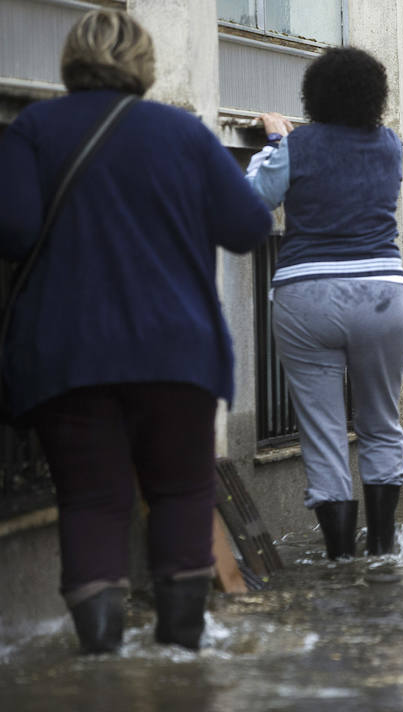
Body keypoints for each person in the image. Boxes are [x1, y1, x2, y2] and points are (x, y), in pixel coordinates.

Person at [0, 9, 272, 653]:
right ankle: (180, 655)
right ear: (143, 65)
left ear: (71, 60)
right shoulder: (183, 133)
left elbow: (11, 230)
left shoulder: (32, 129)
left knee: (91, 502)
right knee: (180, 492)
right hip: (177, 353)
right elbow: (248, 227)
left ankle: (101, 663)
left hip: (69, 353)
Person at [245, 48, 403, 560]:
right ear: (374, 96)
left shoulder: (299, 144)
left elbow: (255, 197)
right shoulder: (390, 146)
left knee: (322, 431)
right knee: (381, 422)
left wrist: (276, 141)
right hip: (382, 295)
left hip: (306, 296)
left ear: (314, 93)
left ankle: (340, 559)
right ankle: (383, 551)